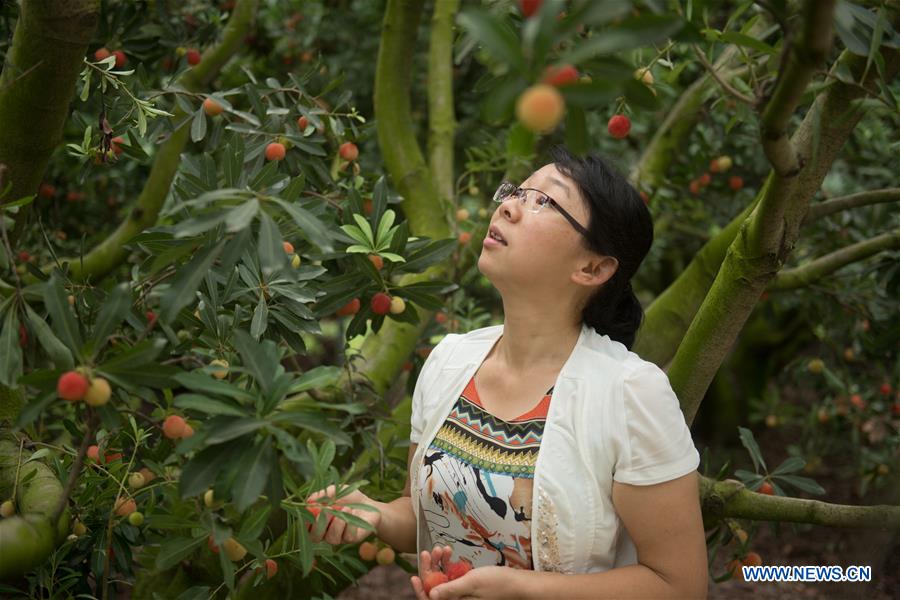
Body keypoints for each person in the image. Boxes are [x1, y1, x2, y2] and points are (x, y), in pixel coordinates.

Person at [307, 146, 708, 599]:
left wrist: (523, 590)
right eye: (517, 190)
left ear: (593, 267)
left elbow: (679, 586)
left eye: (545, 201)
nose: (509, 205)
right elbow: (422, 515)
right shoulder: (450, 361)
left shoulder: (630, 394)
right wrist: (375, 516)